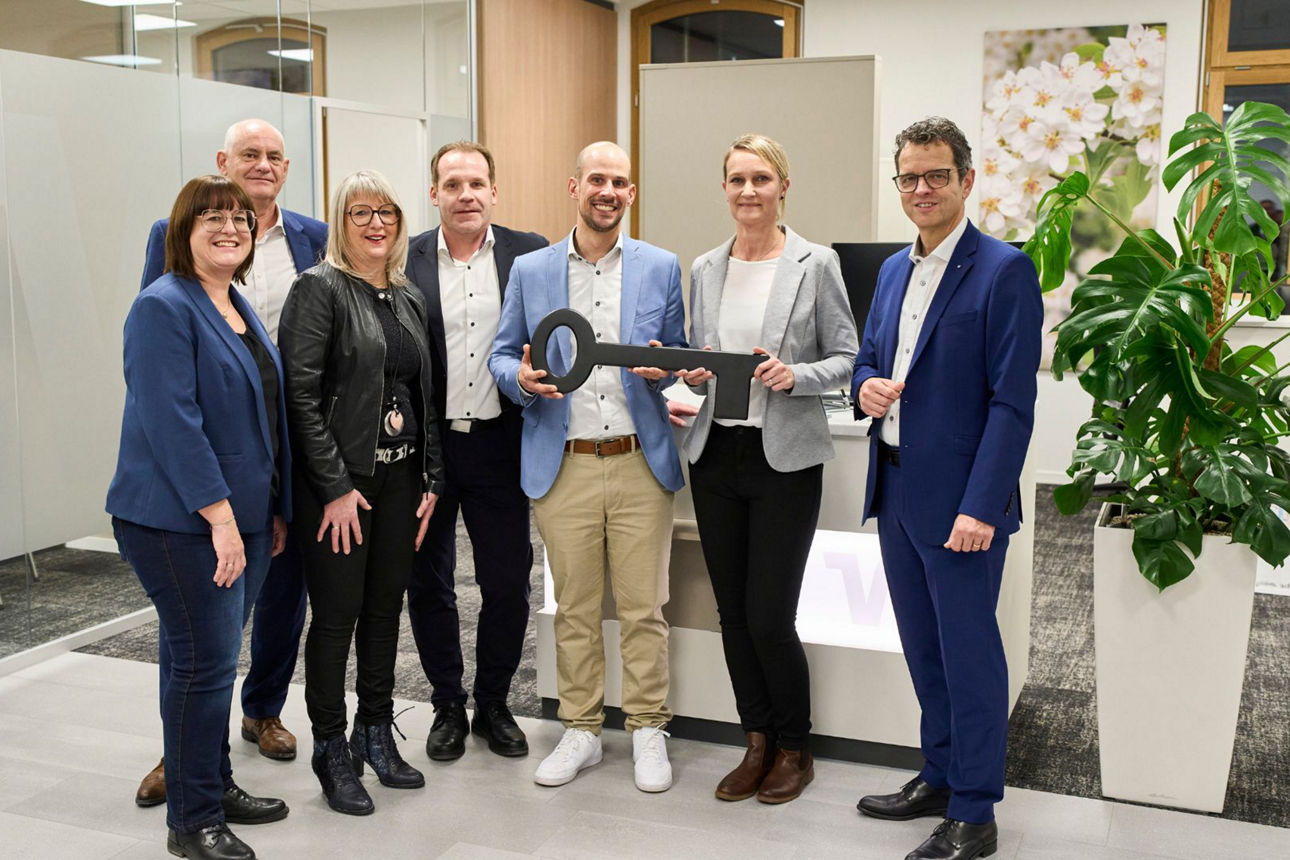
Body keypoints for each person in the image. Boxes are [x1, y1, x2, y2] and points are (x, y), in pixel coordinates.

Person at [851, 117, 1042, 860]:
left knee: (969, 657)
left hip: (962, 503)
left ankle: (975, 810)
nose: (922, 189)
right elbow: (870, 358)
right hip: (896, 489)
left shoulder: (1002, 270)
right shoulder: (892, 271)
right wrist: (866, 386)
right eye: (910, 177)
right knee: (923, 649)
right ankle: (938, 774)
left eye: (936, 175)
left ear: (966, 179)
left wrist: (981, 506)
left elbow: (1012, 404)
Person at [135, 119, 326, 808]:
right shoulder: (171, 282)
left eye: (275, 155)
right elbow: (166, 392)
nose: (264, 164)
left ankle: (245, 731)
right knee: (200, 645)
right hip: (196, 491)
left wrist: (275, 494)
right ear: (224, 161)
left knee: (258, 615)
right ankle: (190, 775)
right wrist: (215, 509)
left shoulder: (293, 252)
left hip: (266, 468)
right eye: (250, 154)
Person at [489, 141, 685, 793]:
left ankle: (648, 727)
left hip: (638, 461)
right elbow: (501, 353)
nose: (608, 191)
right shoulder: (532, 270)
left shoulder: (661, 266)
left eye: (620, 182)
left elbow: (679, 358)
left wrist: (665, 371)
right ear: (574, 187)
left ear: (631, 193)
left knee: (643, 608)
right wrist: (518, 380)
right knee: (573, 608)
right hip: (563, 462)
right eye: (597, 179)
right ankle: (581, 729)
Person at [107, 175, 293, 860]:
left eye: (240, 218)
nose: (230, 228)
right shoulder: (162, 305)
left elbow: (261, 415)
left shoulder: (233, 303)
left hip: (244, 516)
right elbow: (172, 423)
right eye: (211, 218)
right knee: (203, 667)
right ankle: (193, 822)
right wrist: (220, 518)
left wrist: (271, 509)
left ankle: (212, 781)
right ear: (181, 232)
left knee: (205, 659)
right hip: (181, 522)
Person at [675, 134, 857, 804]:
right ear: (724, 188)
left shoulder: (817, 263)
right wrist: (693, 372)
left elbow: (847, 357)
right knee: (731, 613)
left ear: (783, 186)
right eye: (737, 179)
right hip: (715, 454)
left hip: (784, 460)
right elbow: (701, 355)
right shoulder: (705, 267)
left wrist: (796, 375)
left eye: (760, 178)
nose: (748, 191)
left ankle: (793, 748)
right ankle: (755, 742)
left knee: (770, 616)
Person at [278, 169, 445, 815]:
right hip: (341, 489)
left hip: (401, 480)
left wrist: (431, 478)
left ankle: (374, 732)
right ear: (340, 222)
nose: (377, 224)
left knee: (383, 611)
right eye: (361, 213)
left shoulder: (406, 295)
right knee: (337, 617)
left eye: (387, 213)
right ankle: (329, 748)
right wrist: (335, 487)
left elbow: (423, 394)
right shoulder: (318, 288)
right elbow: (300, 396)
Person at [405, 142, 547, 763]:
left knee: (507, 582)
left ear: (494, 191)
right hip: (426, 451)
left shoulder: (530, 254)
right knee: (428, 582)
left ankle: (493, 703)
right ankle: (446, 703)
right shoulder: (404, 259)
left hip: (500, 444)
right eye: (452, 184)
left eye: (476, 183)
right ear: (434, 193)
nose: (466, 194)